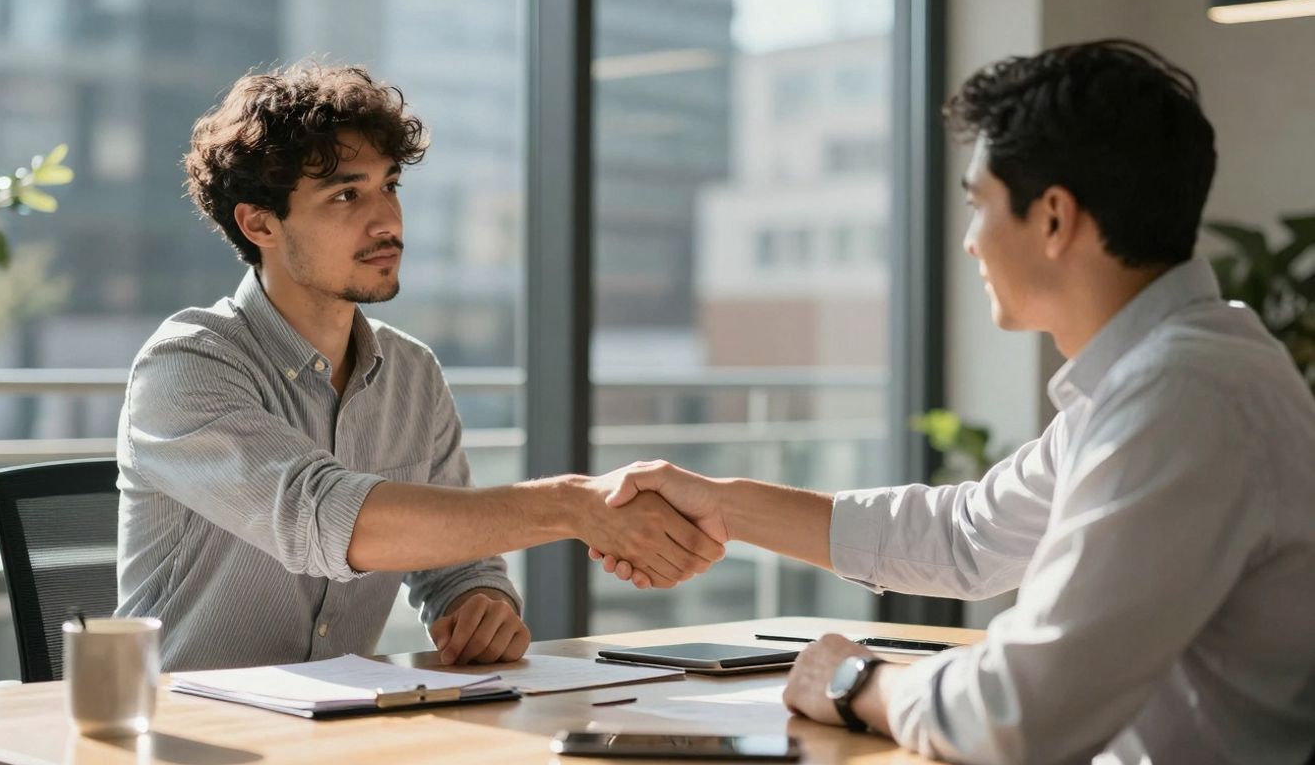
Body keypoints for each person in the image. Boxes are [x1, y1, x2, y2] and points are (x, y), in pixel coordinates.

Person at [592, 39, 1315, 764]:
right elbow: (969, 537)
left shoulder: (1184, 399)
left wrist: (855, 682)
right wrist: (724, 505)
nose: (970, 243)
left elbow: (1019, 715)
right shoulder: (1167, 374)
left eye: (978, 205)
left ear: (1054, 218)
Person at [115, 62, 724, 673]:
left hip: (345, 714)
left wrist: (479, 603)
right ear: (260, 223)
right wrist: (572, 505)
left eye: (390, 186)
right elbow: (328, 519)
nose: (388, 221)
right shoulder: (186, 364)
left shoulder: (412, 372)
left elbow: (460, 567)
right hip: (182, 717)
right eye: (347, 195)